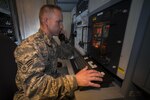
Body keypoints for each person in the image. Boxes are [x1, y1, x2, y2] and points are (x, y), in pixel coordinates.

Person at [14, 4, 103, 100]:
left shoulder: (51, 41)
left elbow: (67, 54)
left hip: (50, 87)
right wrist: (75, 80)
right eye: (59, 21)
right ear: (47, 21)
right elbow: (34, 89)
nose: (61, 26)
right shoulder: (30, 46)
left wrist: (64, 39)